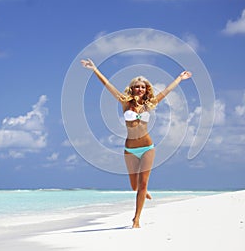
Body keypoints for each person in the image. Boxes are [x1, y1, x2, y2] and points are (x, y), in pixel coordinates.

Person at [81, 58, 192, 228]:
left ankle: (136, 219)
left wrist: (179, 78)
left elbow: (166, 91)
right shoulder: (125, 103)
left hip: (148, 147)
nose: (140, 89)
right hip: (130, 150)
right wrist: (94, 69)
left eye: (143, 86)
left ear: (146, 89)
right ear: (132, 88)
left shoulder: (150, 104)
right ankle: (142, 190)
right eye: (137, 86)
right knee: (134, 186)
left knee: (143, 183)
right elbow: (108, 86)